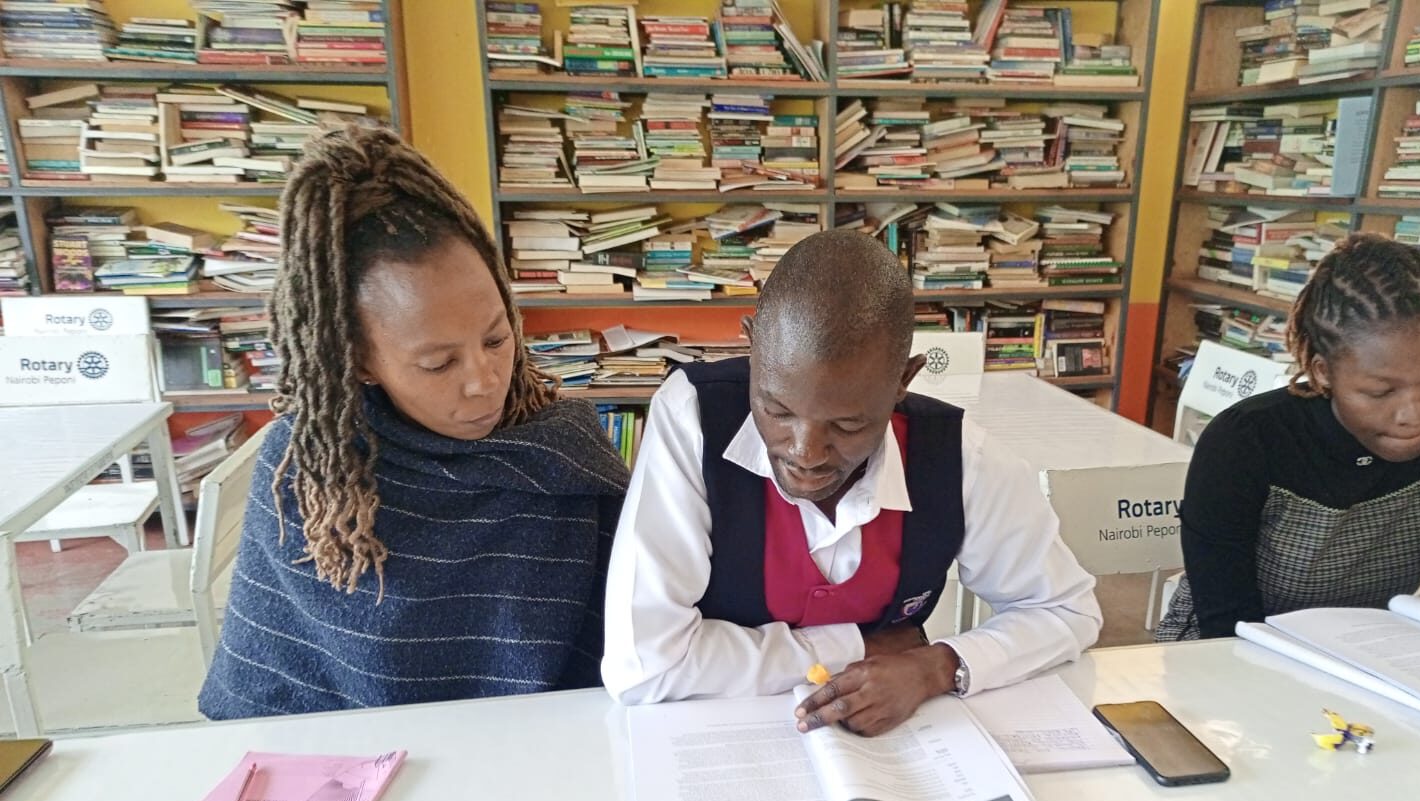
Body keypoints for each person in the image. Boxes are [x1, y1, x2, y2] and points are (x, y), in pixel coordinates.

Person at [199, 126, 629, 719]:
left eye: (497, 338)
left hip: (554, 759)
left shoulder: (564, 456)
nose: (484, 380)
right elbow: (277, 703)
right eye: (437, 362)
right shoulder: (311, 478)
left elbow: (636, 657)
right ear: (360, 361)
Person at [602, 230, 1101, 736]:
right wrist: (858, 646)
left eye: (847, 426)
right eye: (776, 410)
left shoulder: (957, 457)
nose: (805, 452)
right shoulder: (693, 418)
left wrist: (936, 666)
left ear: (903, 382)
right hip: (712, 738)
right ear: (752, 348)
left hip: (896, 741)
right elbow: (642, 666)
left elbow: (1067, 610)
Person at [1157, 234, 1420, 641]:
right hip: (1230, 655)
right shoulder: (1247, 440)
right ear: (1322, 372)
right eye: (1381, 391)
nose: (1414, 414)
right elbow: (1227, 628)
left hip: (1363, 653)